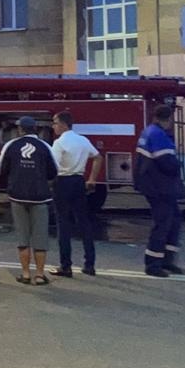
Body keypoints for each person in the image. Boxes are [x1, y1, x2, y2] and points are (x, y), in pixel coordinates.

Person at [0, 116, 58, 285]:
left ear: (20, 130)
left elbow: (2, 168)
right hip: (40, 197)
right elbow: (54, 171)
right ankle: (39, 275)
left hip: (17, 196)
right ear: (36, 129)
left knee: (23, 237)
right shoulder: (45, 146)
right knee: (40, 238)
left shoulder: (11, 146)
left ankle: (25, 274)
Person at [50, 111, 103, 277]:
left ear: (64, 124)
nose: (53, 126)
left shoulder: (59, 143)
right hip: (79, 181)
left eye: (55, 123)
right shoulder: (83, 140)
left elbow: (53, 166)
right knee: (84, 222)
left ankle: (66, 266)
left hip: (63, 182)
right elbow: (98, 157)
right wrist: (92, 179)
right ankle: (90, 264)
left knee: (63, 224)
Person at [135, 105, 185, 278]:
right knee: (163, 224)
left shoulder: (149, 132)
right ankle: (153, 264)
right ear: (169, 119)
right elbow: (167, 163)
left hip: (155, 186)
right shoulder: (158, 135)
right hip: (160, 187)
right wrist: (178, 165)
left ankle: (166, 260)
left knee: (173, 221)